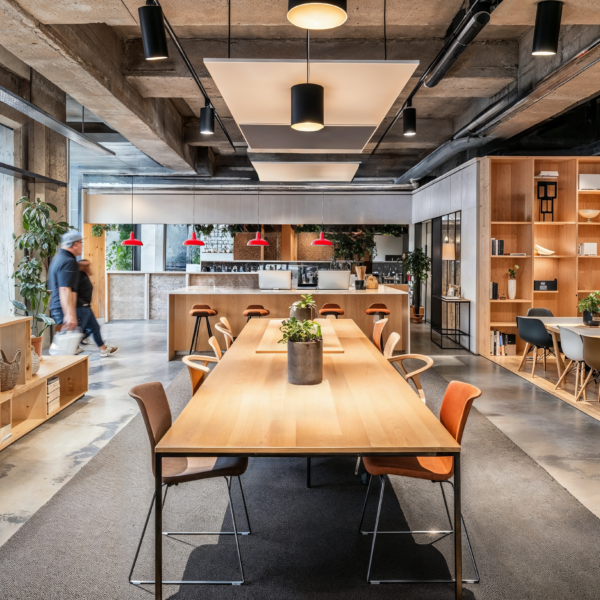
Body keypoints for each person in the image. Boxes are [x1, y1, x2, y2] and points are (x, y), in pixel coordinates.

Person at [76, 260, 118, 357]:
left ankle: (103, 349)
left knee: (94, 328)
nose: (90, 267)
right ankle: (72, 347)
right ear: (84, 267)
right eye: (88, 265)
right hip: (81, 308)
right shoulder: (79, 276)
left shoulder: (83, 276)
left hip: (86, 307)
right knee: (82, 331)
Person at [48, 231, 82, 332]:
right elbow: (64, 289)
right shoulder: (68, 261)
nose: (82, 246)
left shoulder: (58, 258)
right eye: (81, 243)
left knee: (67, 345)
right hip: (62, 310)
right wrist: (70, 315)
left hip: (59, 308)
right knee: (66, 346)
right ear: (75, 244)